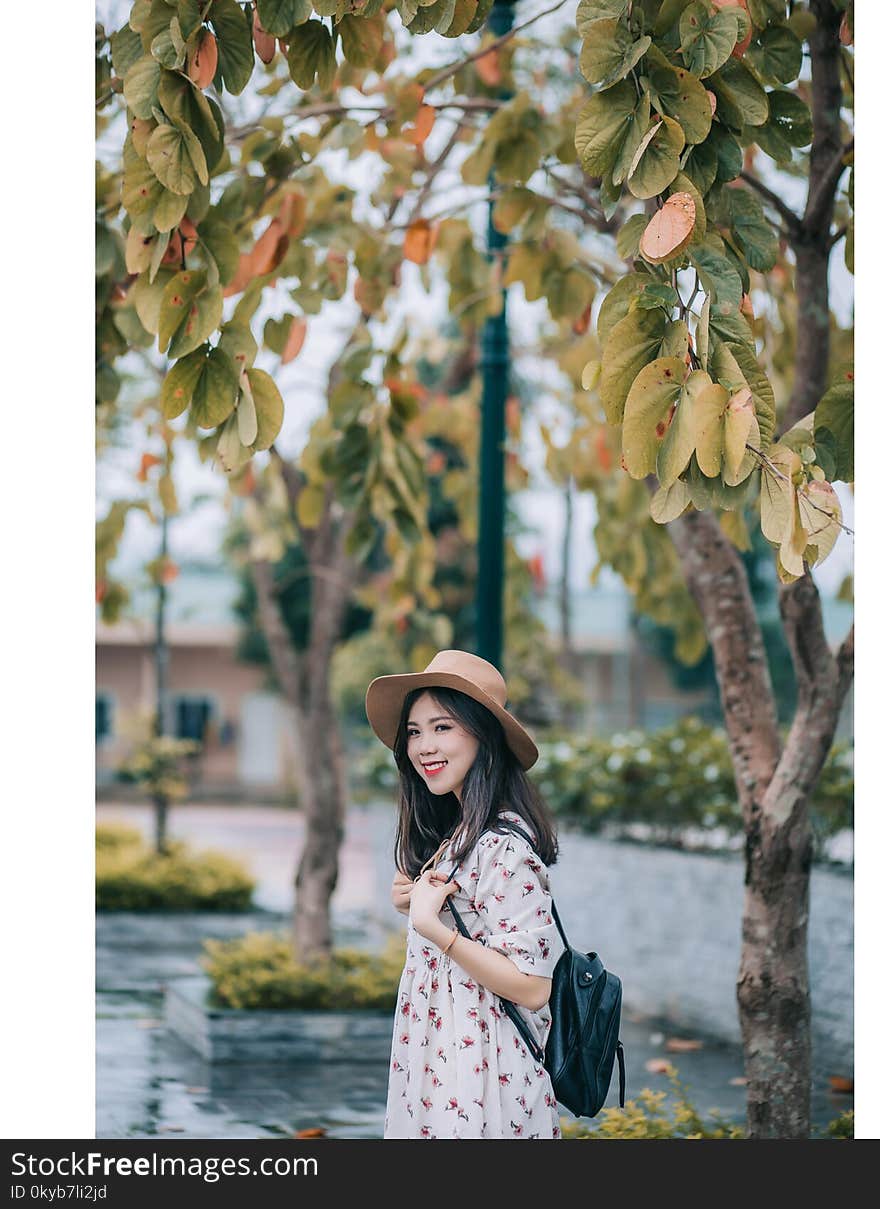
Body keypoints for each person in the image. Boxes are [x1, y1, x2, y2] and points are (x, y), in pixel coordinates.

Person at [364, 649, 566, 1139]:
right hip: (445, 1061)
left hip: (483, 1074)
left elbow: (534, 987)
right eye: (414, 732)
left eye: (442, 727)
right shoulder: (461, 834)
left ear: (484, 735)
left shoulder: (501, 845)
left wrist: (436, 929)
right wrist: (416, 900)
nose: (423, 746)